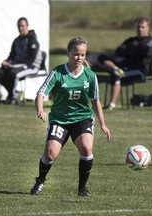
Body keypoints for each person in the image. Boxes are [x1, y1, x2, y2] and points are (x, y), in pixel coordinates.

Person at [30, 37, 111, 196]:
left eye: (82, 54)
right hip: (60, 120)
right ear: (68, 53)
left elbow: (95, 101)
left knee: (87, 149)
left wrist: (103, 124)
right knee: (50, 154)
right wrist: (40, 109)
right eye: (76, 54)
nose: (79, 58)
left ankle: (82, 188)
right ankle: (40, 180)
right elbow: (41, 93)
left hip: (82, 119)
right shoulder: (57, 73)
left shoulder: (90, 76)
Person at [97, 16, 152, 110]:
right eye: (138, 27)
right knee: (102, 57)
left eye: (142, 27)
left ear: (148, 28)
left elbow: (142, 52)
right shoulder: (132, 40)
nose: (140, 29)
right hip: (126, 67)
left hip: (140, 70)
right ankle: (116, 69)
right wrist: (131, 51)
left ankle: (111, 105)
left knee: (116, 75)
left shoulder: (150, 41)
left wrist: (129, 51)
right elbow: (119, 50)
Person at [0, 17, 43, 104]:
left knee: (13, 73)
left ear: (27, 26)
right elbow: (12, 55)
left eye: (22, 26)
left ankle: (12, 98)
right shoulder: (16, 41)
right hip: (17, 65)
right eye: (19, 26)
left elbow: (30, 60)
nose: (21, 28)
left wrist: (12, 65)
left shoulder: (32, 40)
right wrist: (6, 62)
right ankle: (13, 94)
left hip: (31, 66)